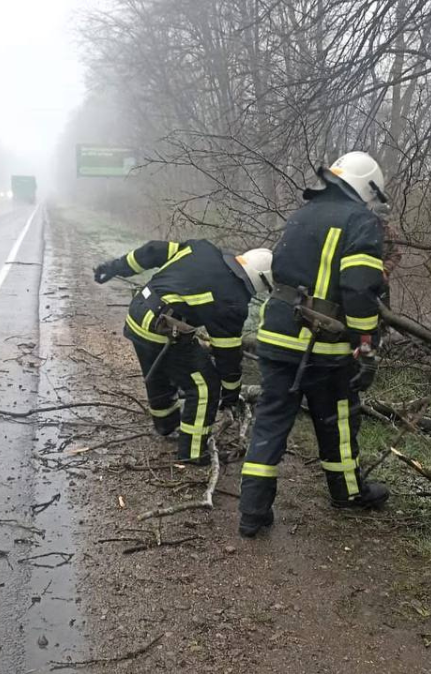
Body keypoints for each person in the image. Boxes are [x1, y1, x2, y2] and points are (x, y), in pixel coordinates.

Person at [238, 151, 391, 538]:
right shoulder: (361, 221)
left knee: (270, 421)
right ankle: (348, 494)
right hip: (322, 344)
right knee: (337, 419)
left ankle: (252, 513)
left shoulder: (301, 214)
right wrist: (365, 344)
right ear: (367, 188)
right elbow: (358, 289)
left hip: (274, 335)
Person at [94, 240, 272, 465]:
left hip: (137, 314)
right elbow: (227, 355)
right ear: (260, 281)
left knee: (159, 371)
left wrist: (114, 267)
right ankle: (193, 452)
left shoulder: (202, 248)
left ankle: (165, 424)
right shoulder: (232, 300)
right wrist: (230, 393)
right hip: (161, 329)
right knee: (205, 386)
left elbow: (153, 251)